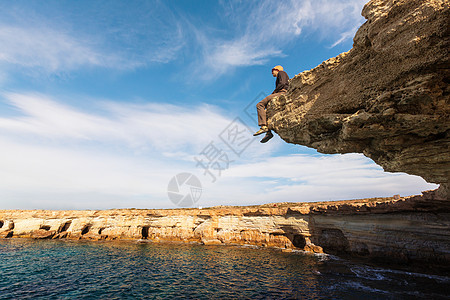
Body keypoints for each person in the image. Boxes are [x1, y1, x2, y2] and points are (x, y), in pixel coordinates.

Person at [253, 65, 289, 143]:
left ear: (277, 70)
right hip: (281, 92)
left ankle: (263, 127)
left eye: (273, 70)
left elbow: (282, 83)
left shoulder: (281, 73)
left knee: (259, 105)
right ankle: (268, 133)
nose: (272, 72)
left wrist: (275, 92)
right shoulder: (282, 74)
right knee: (266, 112)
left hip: (281, 92)